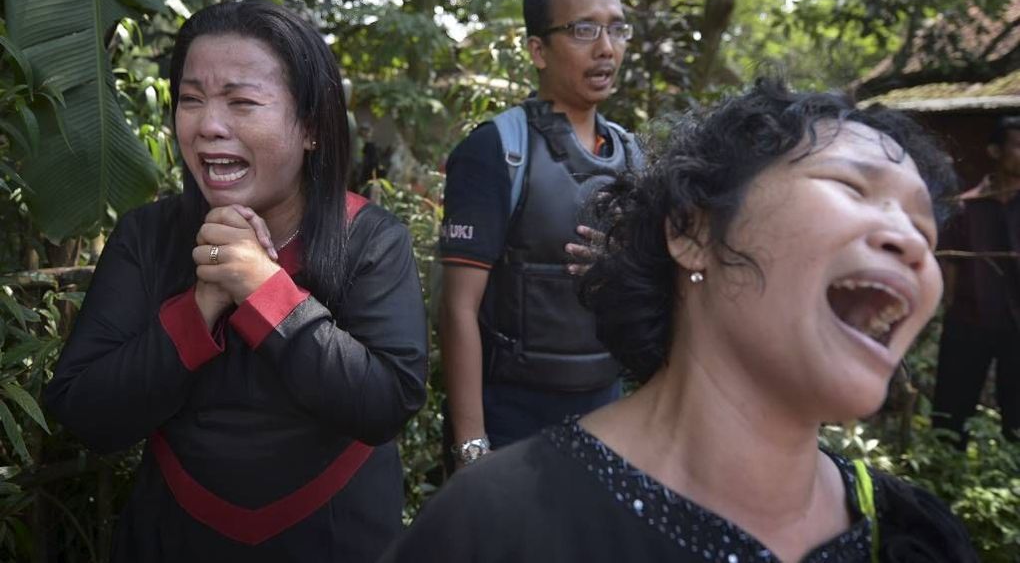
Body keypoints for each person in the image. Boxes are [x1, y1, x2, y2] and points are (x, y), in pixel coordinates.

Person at [381, 80, 977, 562]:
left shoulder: (913, 536)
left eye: (925, 229)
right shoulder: (495, 524)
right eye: (851, 185)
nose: (910, 241)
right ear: (692, 231)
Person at [45, 0, 428, 562]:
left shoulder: (370, 239)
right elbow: (85, 410)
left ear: (313, 128)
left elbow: (384, 403)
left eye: (243, 102)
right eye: (191, 100)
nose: (208, 126)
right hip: (174, 534)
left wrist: (263, 289)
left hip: (337, 534)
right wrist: (201, 304)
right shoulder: (147, 237)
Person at [438, 0, 642, 470]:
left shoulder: (634, 156)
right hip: (512, 418)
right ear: (537, 49)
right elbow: (458, 308)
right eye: (583, 30)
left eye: (617, 28)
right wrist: (471, 447)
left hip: (609, 409)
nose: (606, 48)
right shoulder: (495, 151)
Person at [932, 115, 1020, 446]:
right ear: (995, 152)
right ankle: (947, 470)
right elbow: (950, 266)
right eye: (1018, 145)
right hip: (969, 321)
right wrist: (952, 311)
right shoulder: (965, 208)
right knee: (951, 413)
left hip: (1018, 326)